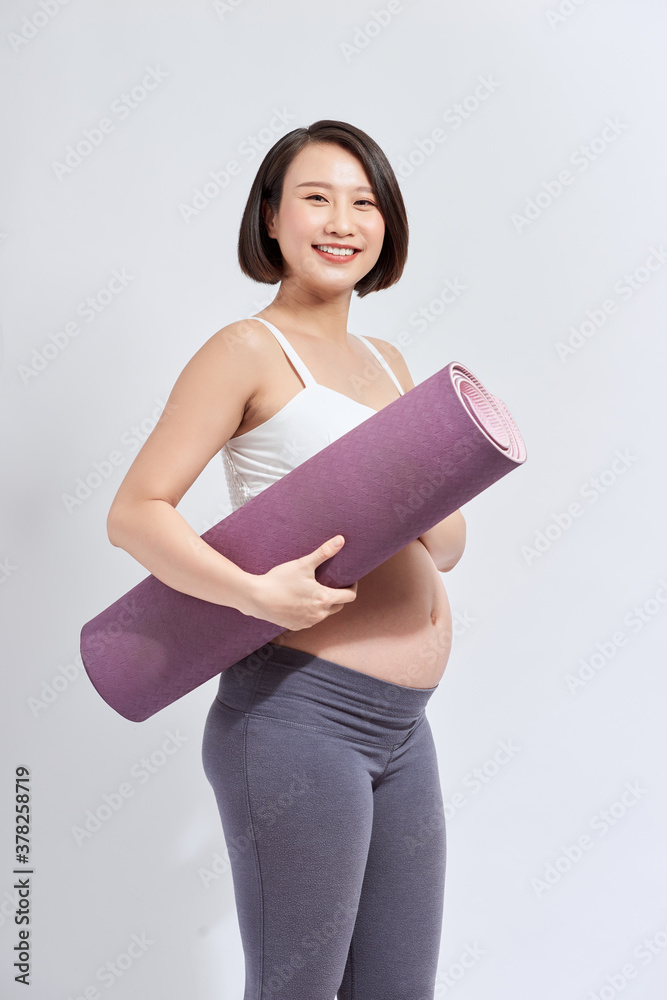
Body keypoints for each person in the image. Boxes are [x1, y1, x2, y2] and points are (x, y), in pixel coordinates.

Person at [106, 119, 466, 999]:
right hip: (297, 720)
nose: (342, 220)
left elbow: (446, 549)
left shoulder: (388, 361)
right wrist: (252, 593)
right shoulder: (244, 350)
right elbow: (134, 512)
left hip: (402, 730)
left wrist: (437, 471)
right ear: (272, 218)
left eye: (364, 201)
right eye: (316, 198)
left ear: (387, 225)